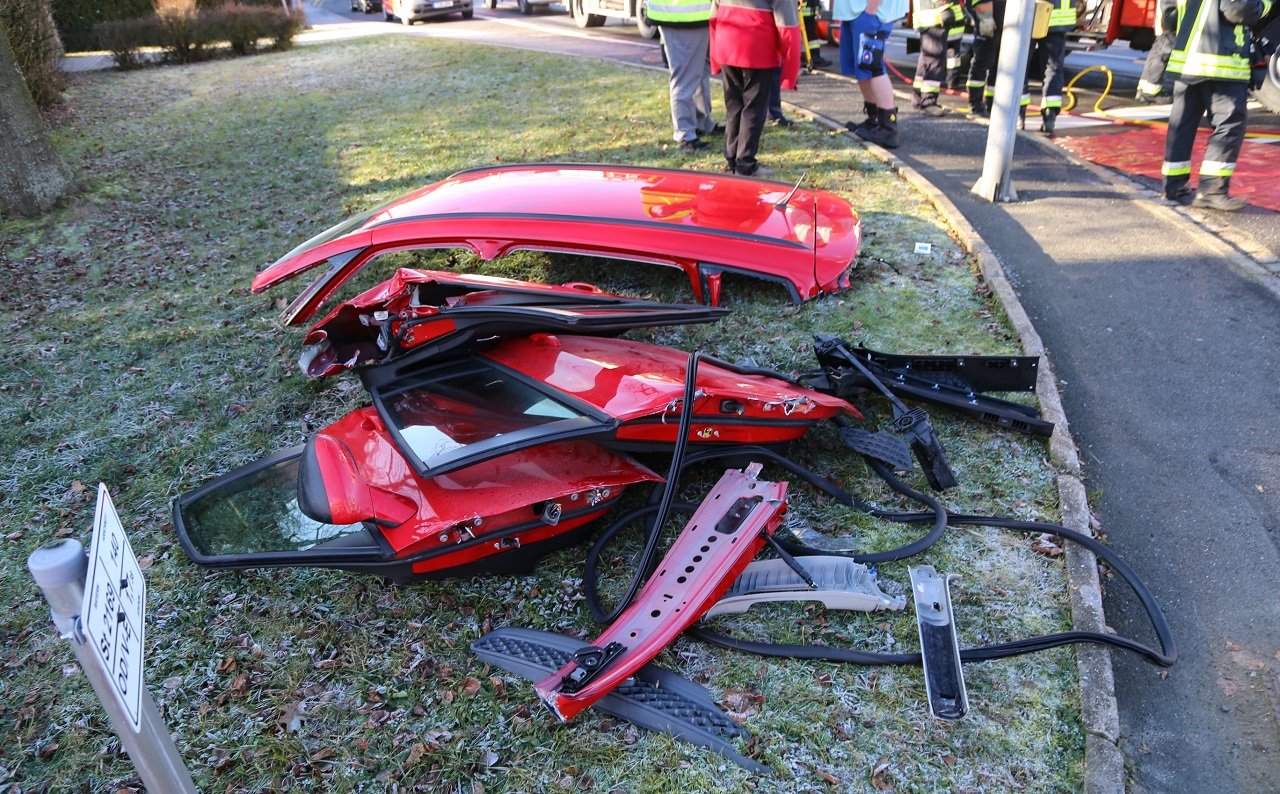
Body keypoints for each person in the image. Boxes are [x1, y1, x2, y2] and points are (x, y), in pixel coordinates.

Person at [1161, 0, 1269, 211]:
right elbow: (1237, 10)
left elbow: (1170, 15)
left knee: (1182, 124)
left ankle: (1174, 186)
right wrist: (1265, 4)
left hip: (1187, 58)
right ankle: (1212, 191)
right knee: (1229, 123)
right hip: (1218, 59)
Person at [709, 0, 802, 176]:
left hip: (727, 42)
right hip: (758, 48)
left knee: (734, 105)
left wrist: (715, 54)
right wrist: (790, 71)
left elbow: (714, 14)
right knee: (754, 108)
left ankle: (732, 158)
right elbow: (788, 28)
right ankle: (745, 164)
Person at [834, 0, 910, 148]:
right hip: (857, 11)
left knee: (872, 66)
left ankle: (888, 128)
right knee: (863, 67)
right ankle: (875, 120)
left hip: (869, 11)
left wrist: (871, 8)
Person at [649, 0, 722, 151]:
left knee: (699, 73)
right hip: (683, 16)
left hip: (693, 14)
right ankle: (685, 134)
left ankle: (702, 123)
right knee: (685, 78)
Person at [1022, 0, 1077, 136]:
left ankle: (1018, 115)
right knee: (1053, 68)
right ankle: (1049, 117)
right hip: (1058, 20)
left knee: (1020, 66)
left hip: (1030, 15)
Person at [910, 0, 965, 115]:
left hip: (931, 17)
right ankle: (928, 102)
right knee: (934, 61)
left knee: (926, 60)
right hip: (935, 17)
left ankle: (919, 98)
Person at [962, 0, 1000, 115]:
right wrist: (984, 17)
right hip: (986, 20)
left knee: (998, 64)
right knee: (982, 61)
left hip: (1003, 21)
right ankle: (975, 103)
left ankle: (992, 103)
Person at [1135, 10, 1175, 102]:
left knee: (1156, 52)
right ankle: (1150, 92)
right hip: (1170, 22)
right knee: (1162, 55)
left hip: (1165, 21)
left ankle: (1144, 89)